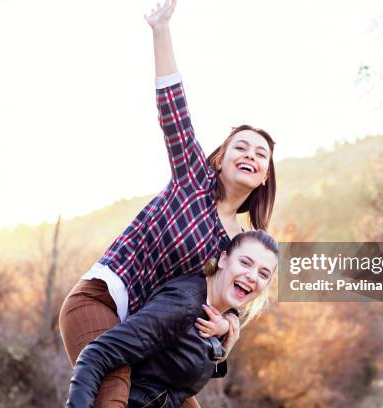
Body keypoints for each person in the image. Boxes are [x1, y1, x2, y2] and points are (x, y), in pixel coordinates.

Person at [58, 0, 277, 407]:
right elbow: (172, 109)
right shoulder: (192, 181)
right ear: (221, 158)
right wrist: (161, 30)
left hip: (149, 339)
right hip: (103, 301)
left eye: (260, 153)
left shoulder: (241, 246)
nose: (250, 154)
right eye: (240, 147)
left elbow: (218, 299)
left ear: (265, 174)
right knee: (111, 395)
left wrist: (230, 329)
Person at [66, 231, 279, 408]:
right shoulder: (183, 304)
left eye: (263, 274)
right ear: (223, 259)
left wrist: (221, 350)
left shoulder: (216, 313)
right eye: (245, 263)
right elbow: (96, 354)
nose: (252, 276)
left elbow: (179, 360)